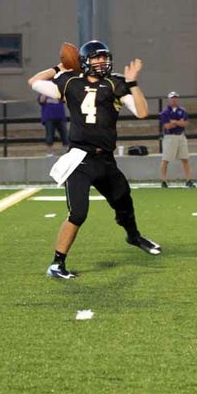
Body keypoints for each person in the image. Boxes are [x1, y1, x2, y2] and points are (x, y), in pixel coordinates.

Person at [28, 40, 161, 279]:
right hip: (80, 159)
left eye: (104, 57)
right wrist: (59, 67)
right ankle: (57, 264)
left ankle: (133, 236)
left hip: (106, 159)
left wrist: (133, 82)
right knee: (78, 213)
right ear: (84, 61)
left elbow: (142, 112)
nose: (101, 62)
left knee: (123, 202)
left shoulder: (116, 83)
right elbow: (35, 82)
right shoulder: (70, 81)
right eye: (96, 58)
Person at [159, 91, 195, 188]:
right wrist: (178, 122)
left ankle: (189, 180)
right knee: (166, 159)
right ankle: (163, 180)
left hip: (181, 135)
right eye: (172, 98)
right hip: (170, 136)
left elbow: (184, 123)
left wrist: (174, 122)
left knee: (185, 158)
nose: (174, 100)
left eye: (175, 98)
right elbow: (167, 126)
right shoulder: (165, 112)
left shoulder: (182, 111)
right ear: (169, 99)